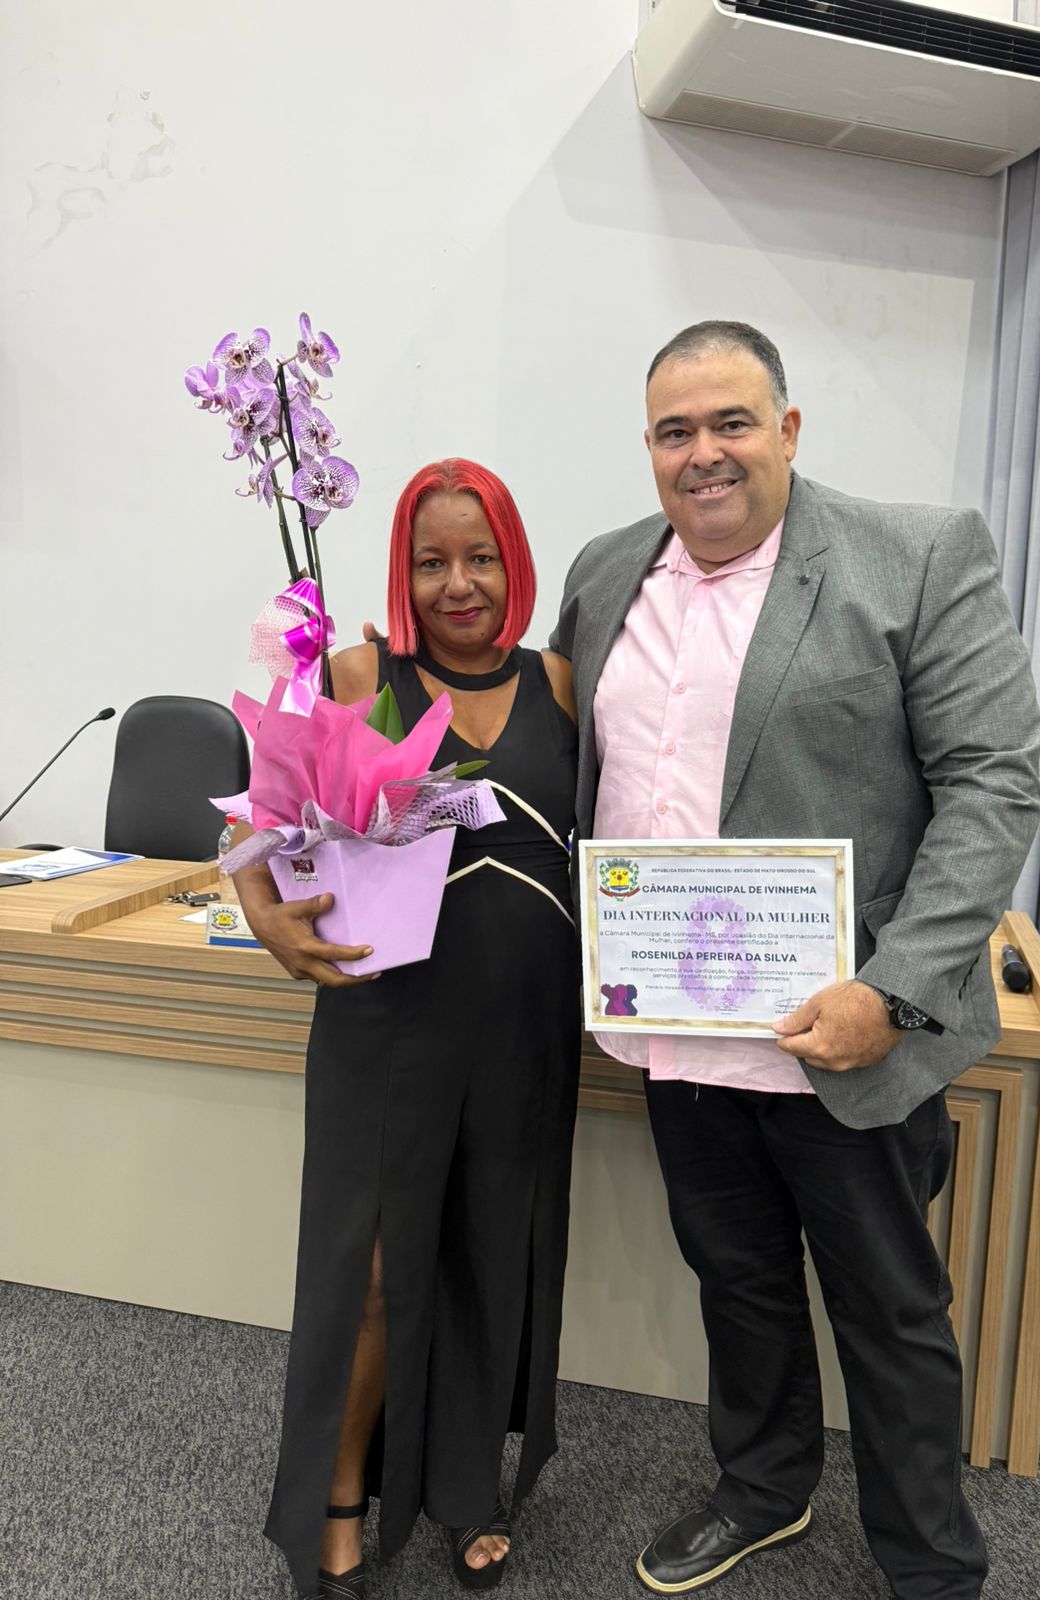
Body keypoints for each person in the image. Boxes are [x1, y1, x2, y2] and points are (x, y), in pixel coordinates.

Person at [549, 322, 1040, 1600]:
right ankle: (764, 1488)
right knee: (738, 1278)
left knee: (888, 1306)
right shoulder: (605, 572)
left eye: (731, 422)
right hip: (678, 1024)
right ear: (649, 446)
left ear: (788, 428)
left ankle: (930, 1563)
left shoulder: (915, 556)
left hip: (847, 1030)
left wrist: (895, 989)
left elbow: (993, 785)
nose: (704, 453)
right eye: (675, 431)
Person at [234, 459, 580, 1598]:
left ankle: (468, 1485)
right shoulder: (355, 672)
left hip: (522, 1025)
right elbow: (255, 821)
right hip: (386, 1020)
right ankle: (339, 1495)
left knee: (490, 1252)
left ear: (514, 563)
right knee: (372, 1275)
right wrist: (264, 916)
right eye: (432, 561)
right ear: (403, 569)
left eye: (481, 557)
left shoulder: (560, 682)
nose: (458, 583)